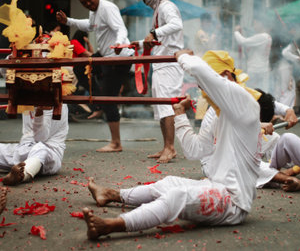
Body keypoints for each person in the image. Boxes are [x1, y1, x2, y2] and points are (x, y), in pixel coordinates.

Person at [80, 49, 271, 240]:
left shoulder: (245, 101)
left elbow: (198, 68)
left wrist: (182, 55)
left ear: (227, 76)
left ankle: (110, 225)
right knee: (168, 183)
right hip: (215, 185)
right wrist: (180, 114)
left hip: (234, 202)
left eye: (207, 85)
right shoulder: (216, 111)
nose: (205, 92)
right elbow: (195, 150)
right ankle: (112, 194)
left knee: (176, 197)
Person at [56, 0, 133, 152]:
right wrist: (68, 21)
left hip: (118, 57)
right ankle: (99, 103)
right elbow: (89, 26)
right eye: (84, 3)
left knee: (108, 97)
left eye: (89, 0)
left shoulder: (107, 8)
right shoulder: (94, 11)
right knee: (81, 67)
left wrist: (119, 43)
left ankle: (116, 142)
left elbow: (121, 28)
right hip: (105, 55)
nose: (88, 4)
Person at [132, 0, 184, 163]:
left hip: (169, 63)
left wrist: (154, 32)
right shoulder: (160, 9)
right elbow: (157, 39)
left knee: (165, 105)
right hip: (161, 62)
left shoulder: (167, 7)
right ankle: (166, 146)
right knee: (161, 107)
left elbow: (177, 25)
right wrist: (135, 44)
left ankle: (170, 148)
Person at [234, 19, 272, 92]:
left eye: (255, 24)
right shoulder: (267, 37)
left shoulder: (262, 36)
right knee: (261, 92)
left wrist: (236, 32)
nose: (254, 27)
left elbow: (243, 41)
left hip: (256, 70)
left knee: (251, 92)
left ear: (260, 23)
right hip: (262, 69)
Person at [272, 38, 300, 108]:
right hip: (285, 68)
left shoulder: (290, 44)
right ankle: (284, 110)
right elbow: (285, 53)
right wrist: (298, 58)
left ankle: (280, 109)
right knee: (287, 90)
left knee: (281, 90)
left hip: (282, 68)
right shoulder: (290, 44)